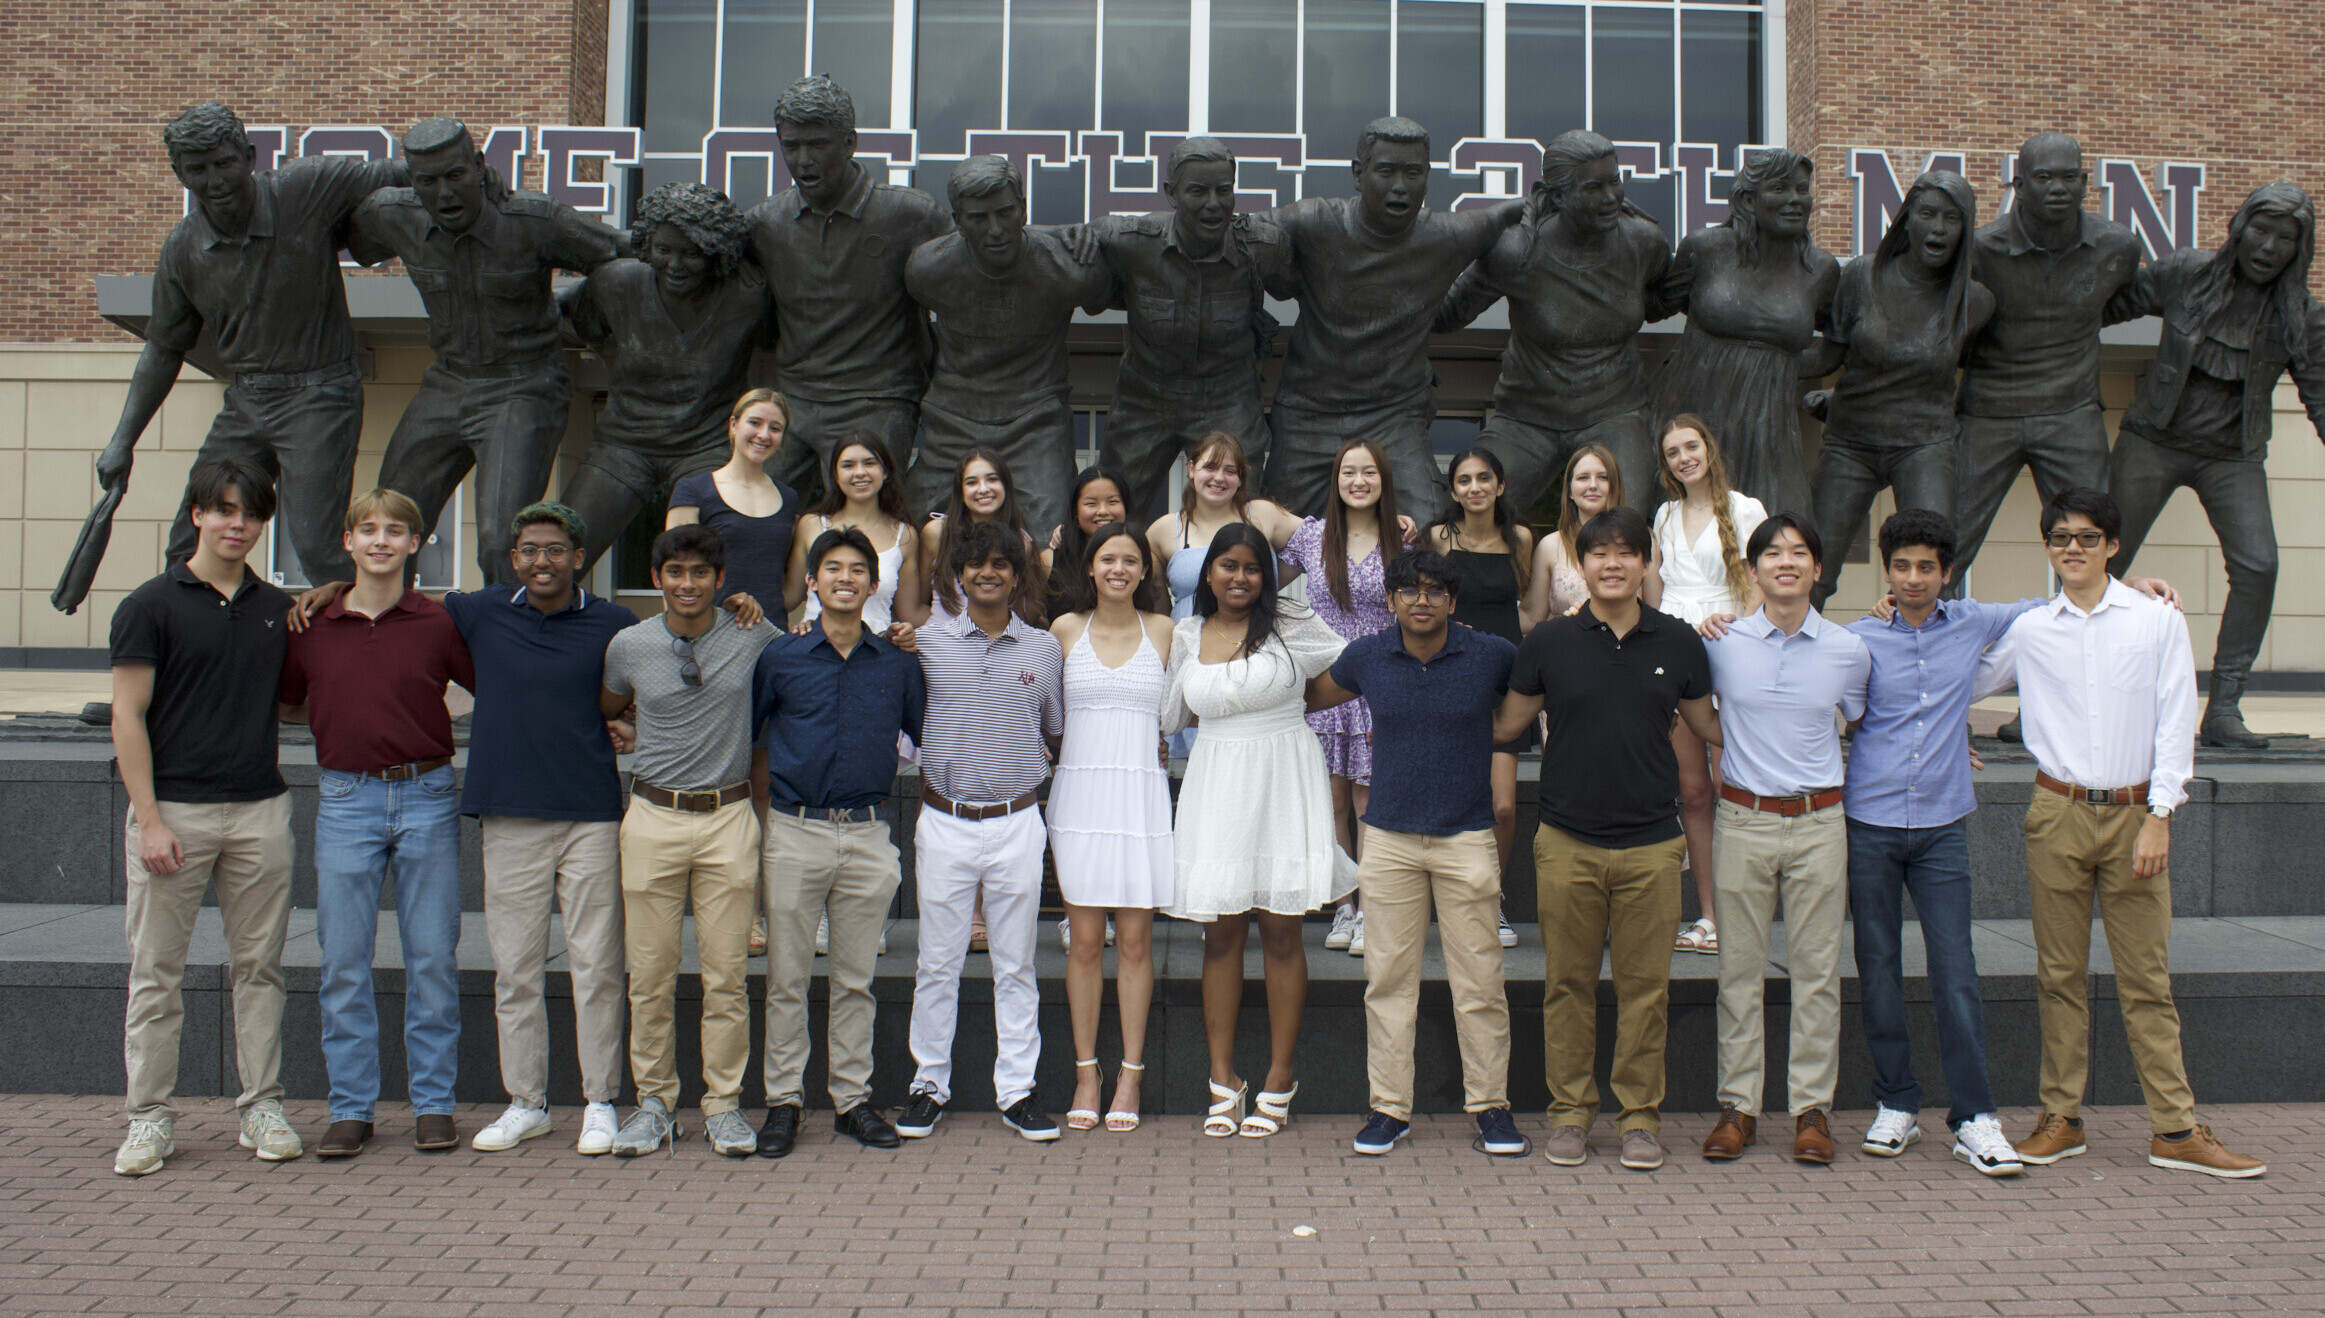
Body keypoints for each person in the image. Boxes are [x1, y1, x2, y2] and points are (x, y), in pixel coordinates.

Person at [1976, 489, 2266, 1179]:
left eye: (2085, 536)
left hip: (2138, 815)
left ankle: (2173, 1128)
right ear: (2047, 549)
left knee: (2145, 980)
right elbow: (1957, 681)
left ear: (2111, 545)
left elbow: (2174, 719)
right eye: (2057, 538)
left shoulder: (2153, 619)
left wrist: (2160, 813)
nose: (2070, 548)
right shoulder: (2032, 629)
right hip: (2055, 814)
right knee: (2057, 976)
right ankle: (2060, 1119)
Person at [90, 103, 405, 594]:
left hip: (320, 393)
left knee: (318, 545)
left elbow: (405, 172)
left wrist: (468, 174)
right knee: (193, 539)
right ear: (180, 174)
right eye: (197, 169)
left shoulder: (304, 188)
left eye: (223, 162)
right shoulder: (182, 248)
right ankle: (199, 649)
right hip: (246, 400)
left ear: (249, 155)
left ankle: (359, 652)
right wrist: (121, 440)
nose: (214, 179)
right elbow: (162, 350)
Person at [1493, 506, 1721, 1172]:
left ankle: (1639, 1118)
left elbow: (1711, 729)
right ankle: (1568, 1113)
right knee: (1566, 984)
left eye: (1626, 553)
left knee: (1645, 987)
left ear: (1645, 563)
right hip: (1566, 840)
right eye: (1599, 553)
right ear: (1581, 566)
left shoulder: (1678, 642)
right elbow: (1506, 722)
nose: (1612, 563)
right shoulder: (1549, 644)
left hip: (1652, 843)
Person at [109, 456, 301, 1176]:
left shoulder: (277, 609)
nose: (236, 524)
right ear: (197, 515)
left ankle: (261, 1105)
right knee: (157, 974)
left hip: (259, 811)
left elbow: (297, 700)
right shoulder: (151, 604)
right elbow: (127, 716)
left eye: (249, 514)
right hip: (175, 815)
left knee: (260, 968)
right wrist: (150, 820)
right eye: (223, 510)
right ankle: (149, 1118)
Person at [1832, 509, 2038, 1176]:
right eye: (1901, 566)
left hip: (1942, 828)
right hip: (1870, 822)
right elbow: (1841, 709)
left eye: (1926, 566)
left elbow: (2048, 608)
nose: (1913, 577)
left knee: (1955, 972)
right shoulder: (1857, 639)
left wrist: (2136, 587)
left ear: (1946, 572)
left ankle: (1973, 1117)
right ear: (1886, 572)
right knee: (1879, 968)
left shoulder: (1973, 623)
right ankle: (1895, 1101)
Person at [1308, 550, 1526, 1158]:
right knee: (1387, 982)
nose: (1421, 600)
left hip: (1467, 838)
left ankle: (1491, 1107)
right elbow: (1304, 696)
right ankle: (1388, 1109)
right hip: (1389, 839)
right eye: (1409, 591)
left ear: (1453, 602)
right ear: (1391, 600)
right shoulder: (1369, 655)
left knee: (1480, 981)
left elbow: (1536, 690)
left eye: (1434, 591)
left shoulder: (1491, 655)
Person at [279, 489, 475, 1158]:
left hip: (425, 795)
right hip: (345, 801)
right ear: (349, 541)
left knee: (431, 959)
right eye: (369, 530)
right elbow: (287, 702)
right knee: (342, 962)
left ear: (416, 544)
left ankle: (433, 1105)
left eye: (396, 531)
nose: (382, 541)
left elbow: (496, 689)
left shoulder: (438, 623)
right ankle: (352, 1108)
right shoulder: (312, 623)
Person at [349, 118, 623, 587]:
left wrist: (579, 312)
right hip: (448, 381)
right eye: (428, 181)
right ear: (411, 182)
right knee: (388, 526)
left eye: (455, 175)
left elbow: (621, 256)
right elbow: (341, 234)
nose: (444, 194)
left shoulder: (534, 219)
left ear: (480, 167)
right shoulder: (392, 214)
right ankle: (388, 638)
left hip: (525, 383)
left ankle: (505, 647)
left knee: (502, 543)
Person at [2106, 181, 2325, 748]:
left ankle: (2225, 707)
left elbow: (2321, 396)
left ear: (2299, 250)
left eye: (2285, 237)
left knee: (2259, 566)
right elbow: (2094, 312)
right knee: (2095, 560)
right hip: (2152, 439)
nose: (2269, 245)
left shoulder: (2303, 317)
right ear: (2239, 226)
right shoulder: (2185, 273)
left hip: (2233, 455)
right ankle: (2045, 699)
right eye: (2261, 229)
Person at [1164, 524, 1351, 1139]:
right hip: (1216, 779)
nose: (1239, 577)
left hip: (1283, 774)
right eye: (1227, 566)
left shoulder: (1292, 623)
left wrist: (1289, 708)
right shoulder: (1186, 634)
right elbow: (1173, 713)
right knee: (1220, 935)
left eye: (1251, 567)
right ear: (1207, 574)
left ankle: (1278, 1077)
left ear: (1265, 576)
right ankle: (1223, 1080)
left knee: (1280, 933)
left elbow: (1343, 672)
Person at [1693, 514, 1867, 1167]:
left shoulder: (1848, 649)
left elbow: (1862, 717)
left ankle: (1809, 1110)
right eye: (1772, 553)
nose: (1785, 562)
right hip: (1742, 819)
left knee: (1816, 972)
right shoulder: (1721, 642)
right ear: (1753, 569)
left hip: (1820, 821)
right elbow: (1695, 711)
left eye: (1799, 552)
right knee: (1737, 969)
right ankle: (1737, 1106)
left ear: (1817, 570)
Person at [599, 525, 778, 1158]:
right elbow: (609, 703)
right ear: (657, 578)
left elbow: (801, 666)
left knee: (726, 976)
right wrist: (625, 728)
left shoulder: (752, 633)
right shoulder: (630, 644)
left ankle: (723, 1105)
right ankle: (653, 1104)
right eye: (675, 572)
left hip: (728, 816)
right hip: (653, 815)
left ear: (721, 579)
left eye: (701, 572)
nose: (688, 584)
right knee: (649, 973)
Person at [753, 528, 927, 1158]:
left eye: (858, 569)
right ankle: (784, 1103)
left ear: (873, 586)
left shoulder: (898, 663)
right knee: (787, 978)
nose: (845, 578)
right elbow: (752, 735)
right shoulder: (781, 658)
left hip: (866, 833)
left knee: (855, 980)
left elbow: (923, 732)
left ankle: (852, 1101)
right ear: (813, 582)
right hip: (795, 831)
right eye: (832, 568)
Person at [894, 522, 1068, 1143]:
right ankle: (927, 1085)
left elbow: (1053, 728)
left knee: (1016, 964)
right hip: (944, 820)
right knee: (936, 963)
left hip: (1018, 820)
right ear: (958, 575)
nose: (989, 573)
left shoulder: (1045, 650)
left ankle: (1017, 1091)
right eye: (976, 565)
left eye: (1002, 564)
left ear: (1019, 577)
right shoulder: (927, 644)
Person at [1261, 117, 1521, 523]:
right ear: (1358, 174)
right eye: (1386, 171)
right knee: (1266, 531)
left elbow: (1522, 214)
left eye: (1412, 173)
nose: (1400, 186)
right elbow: (1240, 238)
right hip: (1308, 413)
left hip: (1394, 415)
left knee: (1434, 527)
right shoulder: (1314, 221)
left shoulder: (1446, 234)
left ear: (1427, 178)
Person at [1436, 128, 1674, 515]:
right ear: (1558, 196)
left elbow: (1665, 298)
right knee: (1468, 515)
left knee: (1626, 522)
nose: (1611, 196)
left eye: (1614, 181)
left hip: (1615, 412)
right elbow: (1446, 316)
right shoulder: (1517, 251)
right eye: (1594, 187)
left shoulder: (1644, 243)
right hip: (1526, 419)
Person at [1950, 133, 2145, 590]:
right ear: (2019, 184)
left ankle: (2086, 641)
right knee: (1947, 539)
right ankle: (1930, 641)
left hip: (2070, 413)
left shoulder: (2117, 249)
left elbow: (2123, 303)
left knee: (2089, 540)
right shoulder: (1978, 251)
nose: (2057, 187)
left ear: (2084, 183)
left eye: (2068, 177)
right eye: (2043, 177)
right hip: (1987, 412)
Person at [750, 75, 952, 500]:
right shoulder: (764, 224)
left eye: (817, 145)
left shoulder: (910, 215)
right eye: (791, 146)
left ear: (849, 142)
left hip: (879, 398)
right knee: (747, 507)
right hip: (796, 401)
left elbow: (979, 259)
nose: (803, 160)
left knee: (862, 516)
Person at [1803, 170, 1994, 608]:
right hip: (1851, 439)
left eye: (1952, 218)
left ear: (1966, 229)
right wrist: (1768, 364)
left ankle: (1928, 659)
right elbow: (1827, 356)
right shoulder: (1862, 276)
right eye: (1927, 214)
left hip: (1925, 443)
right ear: (1907, 218)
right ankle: (1793, 660)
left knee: (1932, 561)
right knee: (1815, 564)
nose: (1938, 228)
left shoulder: (1976, 302)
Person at [561, 183, 772, 572]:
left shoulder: (748, 296)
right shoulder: (616, 283)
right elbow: (575, 324)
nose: (675, 265)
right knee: (562, 547)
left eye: (691, 253)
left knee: (724, 564)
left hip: (705, 447)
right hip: (623, 445)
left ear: (716, 253)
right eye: (663, 250)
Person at [903, 154, 1112, 538]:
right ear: (958, 221)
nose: (995, 229)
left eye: (1005, 212)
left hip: (1035, 420)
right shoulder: (928, 269)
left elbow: (1118, 280)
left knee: (1054, 535)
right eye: (979, 218)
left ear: (1023, 209)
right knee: (906, 529)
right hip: (953, 417)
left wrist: (1094, 236)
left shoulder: (1065, 265)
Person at [1083, 138, 1292, 518]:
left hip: (1228, 396)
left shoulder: (1263, 247)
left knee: (1240, 520)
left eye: (1224, 190)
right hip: (1144, 398)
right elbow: (1058, 254)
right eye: (1198, 191)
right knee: (1110, 512)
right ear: (1171, 194)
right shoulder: (1127, 242)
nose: (1214, 203)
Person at [1047, 523, 1176, 1131]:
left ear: (1145, 571)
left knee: (1134, 944)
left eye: (1131, 560)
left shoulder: (1166, 632)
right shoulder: (1065, 630)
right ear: (1091, 568)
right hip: (1079, 799)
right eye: (1108, 559)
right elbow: (1046, 715)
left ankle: (1130, 1072)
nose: (1119, 568)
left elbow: (1180, 710)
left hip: (1141, 798)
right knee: (1084, 943)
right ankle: (1085, 1072)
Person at [1650, 147, 1840, 526]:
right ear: (1748, 199)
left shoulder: (1820, 270)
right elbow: (1653, 306)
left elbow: (1837, 344)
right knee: (1677, 526)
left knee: (1785, 529)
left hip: (1769, 427)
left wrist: (1778, 364)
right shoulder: (1705, 249)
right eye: (1779, 189)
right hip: (1693, 414)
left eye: (1802, 190)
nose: (1794, 200)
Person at [1278, 439, 1409, 957]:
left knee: (1368, 799)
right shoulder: (1311, 539)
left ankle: (1375, 909)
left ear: (1383, 480)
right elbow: (1265, 583)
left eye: (1369, 472)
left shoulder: (1402, 539)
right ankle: (1344, 905)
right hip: (1327, 683)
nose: (1358, 481)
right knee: (1330, 800)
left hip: (1382, 680)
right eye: (1348, 472)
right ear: (1336, 480)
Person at [1648, 416, 1764, 955]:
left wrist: (1739, 628)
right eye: (1672, 452)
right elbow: (1659, 586)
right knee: (1692, 791)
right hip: (1674, 653)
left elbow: (1760, 582)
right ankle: (1708, 916)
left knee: (1730, 785)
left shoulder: (1745, 508)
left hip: (1729, 646)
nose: (1683, 458)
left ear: (1709, 449)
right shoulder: (1665, 514)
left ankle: (1744, 913)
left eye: (1691, 446)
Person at [1427, 448, 1534, 946]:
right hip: (1453, 676)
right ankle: (1453, 900)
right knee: (1452, 796)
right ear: (1453, 491)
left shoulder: (1521, 540)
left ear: (1500, 485)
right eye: (1464, 480)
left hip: (1506, 678)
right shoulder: (1439, 538)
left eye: (1484, 478)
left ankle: (1493, 900)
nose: (1474, 488)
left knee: (1504, 807)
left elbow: (1527, 610)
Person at [666, 389, 803, 614]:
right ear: (733, 424)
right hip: (711, 636)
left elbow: (792, 588)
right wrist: (684, 639)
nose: (764, 434)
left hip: (772, 637)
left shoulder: (789, 498)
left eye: (775, 428)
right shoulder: (693, 491)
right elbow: (673, 575)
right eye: (755, 423)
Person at [793, 431, 925, 631]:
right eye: (848, 465)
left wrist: (976, 622)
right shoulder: (811, 525)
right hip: (814, 650)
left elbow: (910, 613)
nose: (860, 472)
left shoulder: (905, 535)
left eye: (870, 463)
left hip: (875, 652)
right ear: (835, 476)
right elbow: (790, 596)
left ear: (885, 471)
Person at [923, 449, 1046, 625]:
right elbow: (916, 604)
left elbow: (1027, 610)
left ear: (1006, 485)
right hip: (941, 646)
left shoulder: (1021, 542)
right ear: (960, 492)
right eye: (972, 482)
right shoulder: (938, 533)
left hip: (998, 645)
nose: (983, 489)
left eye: (992, 479)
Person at [1521, 443, 1631, 627]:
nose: (1593, 485)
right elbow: (1531, 617)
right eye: (1583, 478)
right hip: (1566, 648)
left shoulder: (1640, 540)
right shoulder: (1550, 546)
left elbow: (1656, 611)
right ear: (1570, 491)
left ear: (1614, 486)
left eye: (1603, 477)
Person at [1041, 465, 1132, 619]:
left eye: (1112, 502)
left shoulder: (1143, 557)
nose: (1103, 511)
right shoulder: (1049, 561)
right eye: (1091, 503)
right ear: (1075, 511)